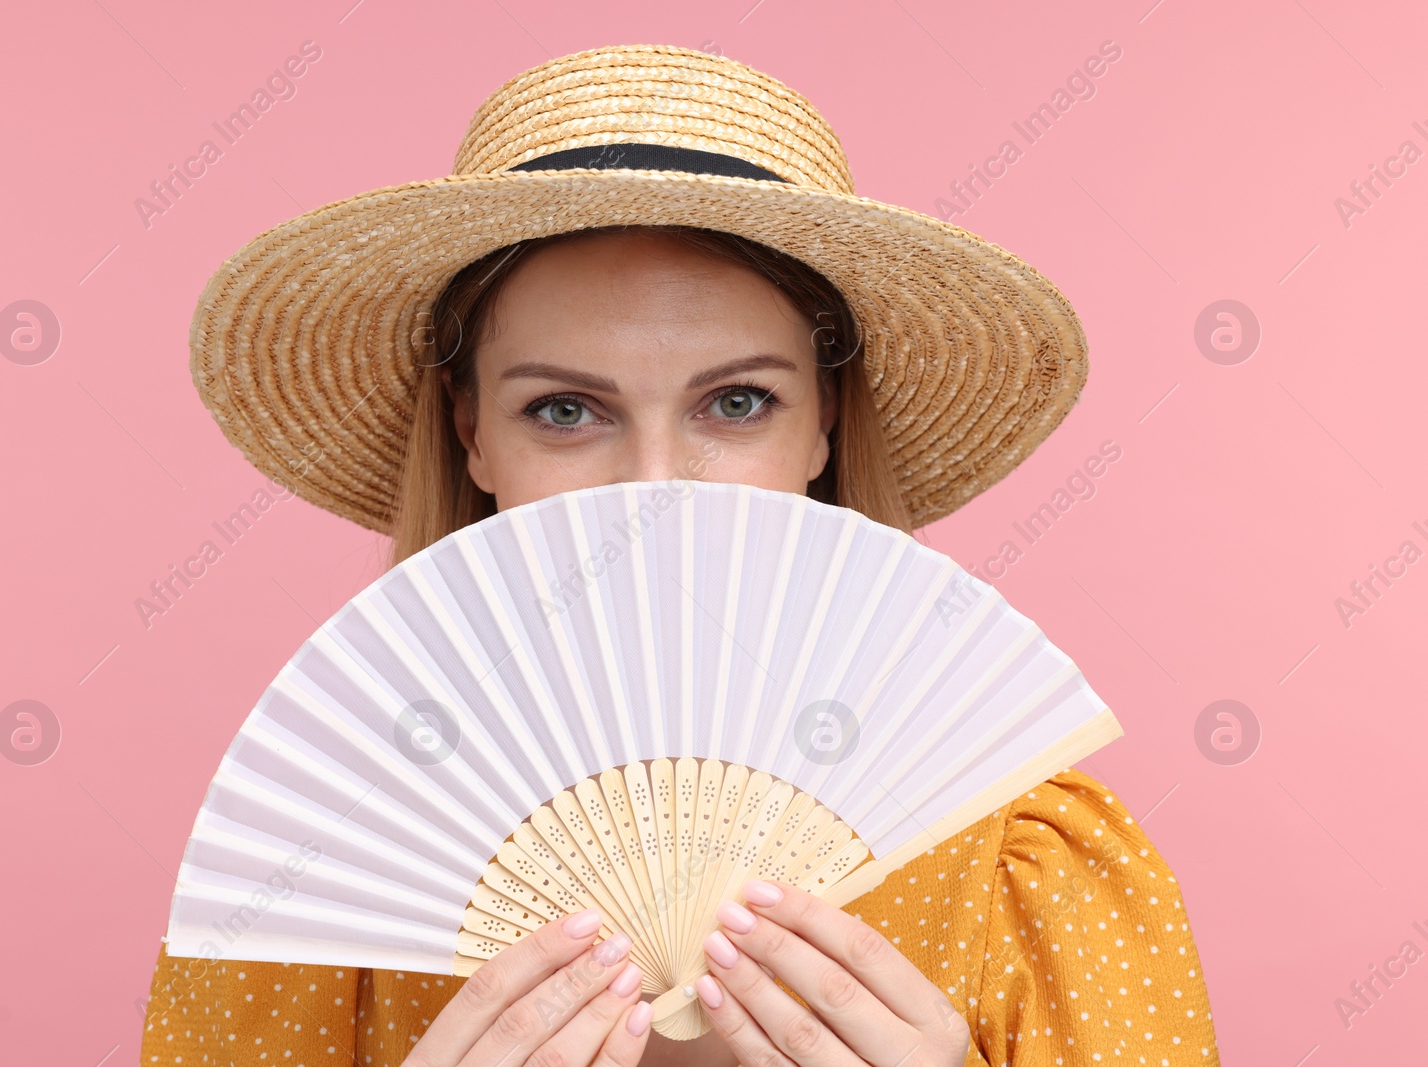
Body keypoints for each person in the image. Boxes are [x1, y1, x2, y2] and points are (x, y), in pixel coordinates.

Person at [142, 44, 1219, 1066]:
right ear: (471, 431)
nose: (654, 489)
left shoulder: (1024, 865)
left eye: (736, 402)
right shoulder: (309, 876)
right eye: (564, 408)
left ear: (822, 426)